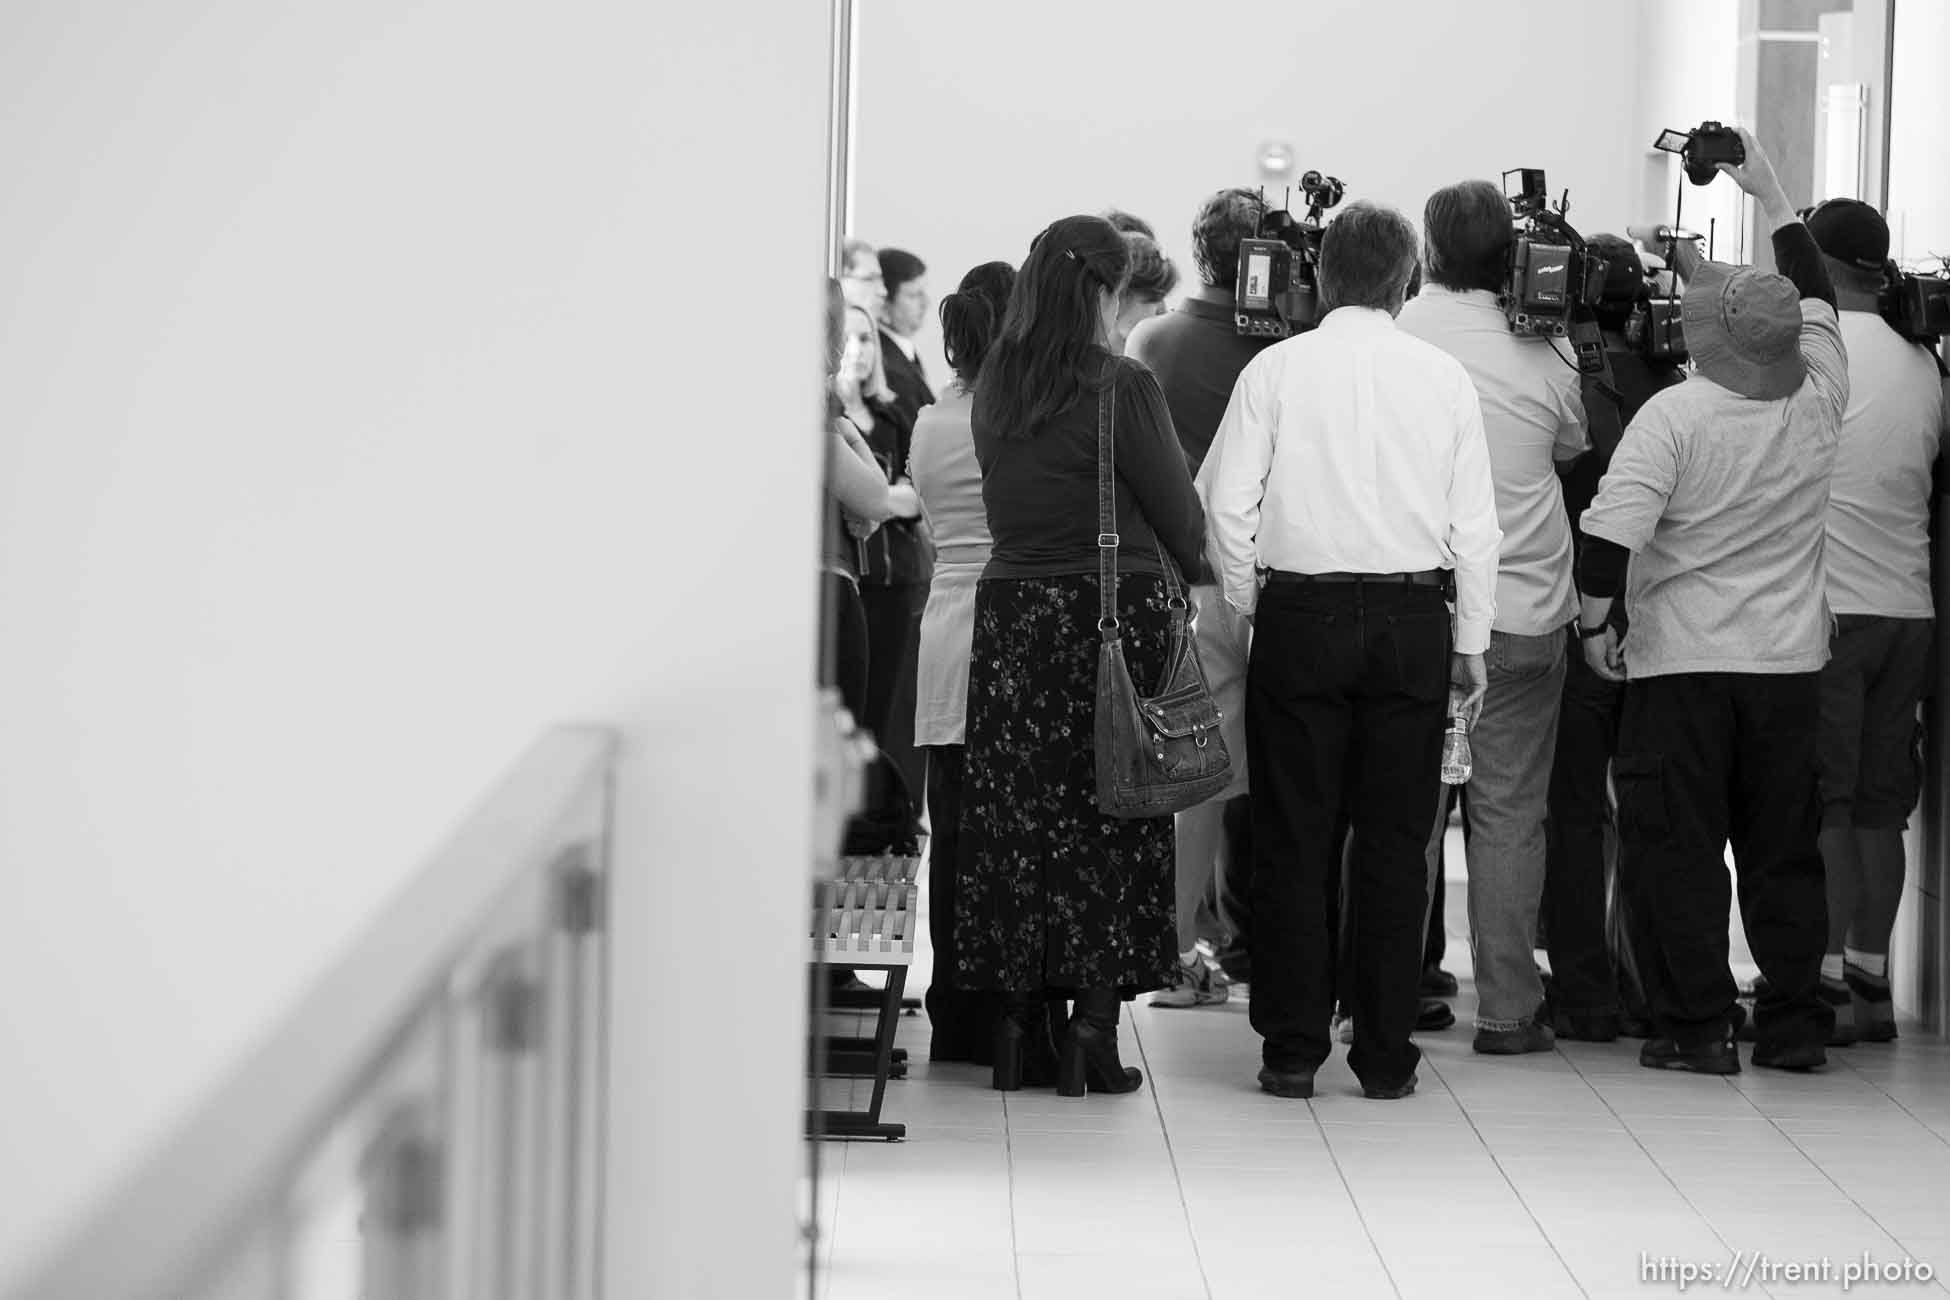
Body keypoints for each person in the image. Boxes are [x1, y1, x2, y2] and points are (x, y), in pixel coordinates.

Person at [1202, 200, 1502, 1101]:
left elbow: (1225, 506)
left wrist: (1258, 608)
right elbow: (1477, 530)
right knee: (1395, 843)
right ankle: (1383, 1056)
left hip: (1302, 616)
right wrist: (1473, 643)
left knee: (1293, 838)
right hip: (1416, 621)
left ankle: (1292, 1049)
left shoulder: (1276, 370)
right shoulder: (1445, 377)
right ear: (1407, 283)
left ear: (1321, 278)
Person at [1576, 126, 1844, 1075]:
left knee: (1677, 849)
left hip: (1682, 663)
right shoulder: (1820, 393)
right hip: (1787, 667)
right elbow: (1812, 286)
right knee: (1783, 852)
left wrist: (1599, 626)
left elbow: (1610, 536)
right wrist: (1771, 191)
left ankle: (1695, 1029)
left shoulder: (1675, 415)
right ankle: (1795, 1026)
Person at [959, 215, 1205, 1097]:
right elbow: (1181, 517)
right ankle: (1092, 1036)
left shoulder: (996, 387)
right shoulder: (1121, 386)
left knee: (1019, 820)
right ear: (1104, 289)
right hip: (1109, 617)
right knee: (1115, 806)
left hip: (1014, 615)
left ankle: (1022, 1027)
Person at [1396, 179, 1590, 1058]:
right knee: (1512, 813)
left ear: (1427, 252)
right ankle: (1509, 1009)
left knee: (1403, 814)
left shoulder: (1395, 339)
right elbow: (1570, 450)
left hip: (1416, 612)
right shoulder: (1546, 352)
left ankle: (1384, 995)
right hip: (1523, 612)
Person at [1803, 198, 1947, 1044]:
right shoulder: (1924, 363)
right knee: (1881, 809)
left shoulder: (1815, 354)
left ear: (1818, 265)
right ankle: (1872, 983)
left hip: (1831, 613)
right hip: (1909, 612)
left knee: (1825, 802)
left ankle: (1818, 990)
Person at [1128, 187, 1273, 1008]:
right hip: (1284, 579)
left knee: (1198, 779)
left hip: (1192, 578)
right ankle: (1263, 940)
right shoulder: (1293, 343)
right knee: (1279, 773)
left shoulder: (1155, 339)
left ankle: (1182, 945)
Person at [1541, 233, 1687, 1042]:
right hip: (1661, 623)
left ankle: (1584, 991)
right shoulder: (1681, 384)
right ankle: (1652, 984)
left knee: (1573, 813)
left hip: (1581, 613)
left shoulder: (1567, 379)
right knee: (1653, 814)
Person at [910, 259, 1016, 1065]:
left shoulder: (929, 422)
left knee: (952, 829)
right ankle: (1001, 1005)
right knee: (1007, 835)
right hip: (1011, 630)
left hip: (946, 628)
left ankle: (954, 1011)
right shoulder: (1016, 422)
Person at [839, 303, 933, 803]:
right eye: (849, 338)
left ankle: (886, 812)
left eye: (867, 339)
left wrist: (874, 501)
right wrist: (880, 496)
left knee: (891, 707)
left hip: (897, 580)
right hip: (850, 580)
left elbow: (916, 496)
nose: (858, 350)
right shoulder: (826, 421)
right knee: (847, 706)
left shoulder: (893, 415)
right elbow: (880, 497)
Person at [878, 247, 936, 425]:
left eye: (923, 292)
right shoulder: (887, 367)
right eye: (913, 295)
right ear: (884, 302)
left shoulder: (903, 352)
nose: (926, 303)